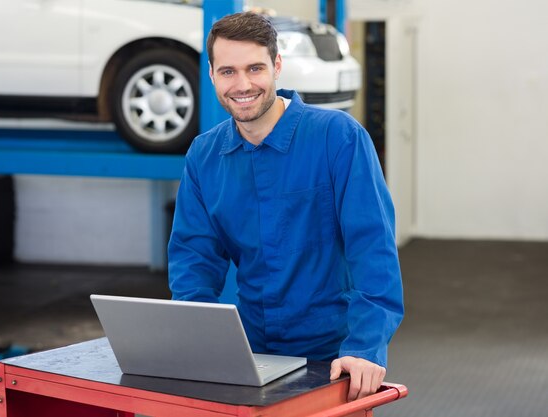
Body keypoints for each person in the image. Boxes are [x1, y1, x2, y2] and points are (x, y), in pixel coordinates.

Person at [168, 12, 404, 401]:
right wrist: (199, 340)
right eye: (228, 71)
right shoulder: (204, 155)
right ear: (210, 74)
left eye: (255, 68)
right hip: (251, 356)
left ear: (277, 66)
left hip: (332, 357)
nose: (242, 85)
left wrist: (365, 347)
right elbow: (194, 261)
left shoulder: (338, 138)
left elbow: (373, 249)